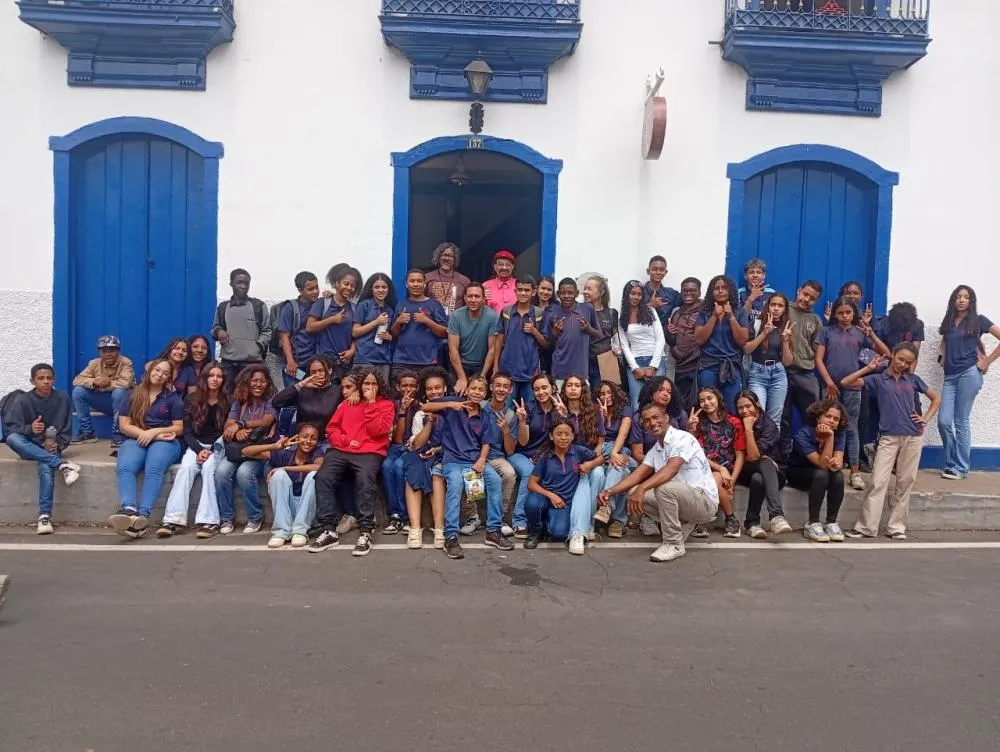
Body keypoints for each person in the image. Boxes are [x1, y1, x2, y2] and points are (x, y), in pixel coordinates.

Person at [600, 402, 720, 563]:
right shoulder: (656, 449)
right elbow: (637, 475)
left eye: (656, 417)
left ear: (666, 418)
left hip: (704, 502)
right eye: (647, 420)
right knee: (632, 493)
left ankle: (674, 543)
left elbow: (671, 469)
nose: (652, 423)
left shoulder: (683, 438)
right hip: (684, 500)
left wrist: (642, 488)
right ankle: (684, 525)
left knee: (662, 488)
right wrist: (609, 492)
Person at [842, 345, 941, 540]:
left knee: (905, 482)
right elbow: (846, 382)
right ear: (893, 355)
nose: (903, 364)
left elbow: (936, 398)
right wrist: (868, 368)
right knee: (878, 482)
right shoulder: (878, 380)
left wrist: (926, 418)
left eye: (908, 362)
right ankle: (866, 528)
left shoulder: (913, 380)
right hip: (888, 437)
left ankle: (896, 527)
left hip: (913, 437)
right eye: (900, 359)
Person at [420, 377, 515, 558]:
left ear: (485, 393)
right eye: (473, 388)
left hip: (475, 460)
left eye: (481, 390)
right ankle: (451, 536)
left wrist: (481, 460)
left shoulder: (485, 416)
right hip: (453, 460)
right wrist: (449, 406)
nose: (477, 392)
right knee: (455, 485)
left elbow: (486, 443)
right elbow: (425, 407)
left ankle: (493, 530)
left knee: (495, 479)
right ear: (467, 390)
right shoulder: (453, 404)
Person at [309, 367, 395, 557]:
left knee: (365, 479)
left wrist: (371, 403)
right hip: (341, 449)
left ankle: (366, 530)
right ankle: (329, 529)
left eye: (374, 384)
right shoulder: (349, 402)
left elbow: (378, 431)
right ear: (360, 384)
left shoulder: (386, 404)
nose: (370, 387)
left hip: (370, 451)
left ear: (380, 386)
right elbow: (332, 429)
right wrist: (346, 441)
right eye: (366, 383)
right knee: (323, 477)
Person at [815, 297, 890, 490]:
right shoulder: (826, 332)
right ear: (835, 314)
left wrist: (871, 334)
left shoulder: (859, 333)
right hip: (831, 387)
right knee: (827, 425)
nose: (844, 316)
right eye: (840, 313)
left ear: (853, 314)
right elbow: (819, 360)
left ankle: (855, 472)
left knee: (851, 428)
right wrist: (829, 383)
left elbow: (886, 353)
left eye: (848, 312)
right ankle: (827, 466)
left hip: (853, 387)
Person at [108, 359, 184, 538]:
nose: (160, 374)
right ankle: (129, 509)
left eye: (165, 373)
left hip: (166, 440)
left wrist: (156, 432)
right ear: (150, 370)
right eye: (157, 370)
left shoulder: (173, 399)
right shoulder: (133, 394)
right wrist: (146, 434)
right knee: (126, 467)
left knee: (154, 468)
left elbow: (178, 428)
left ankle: (143, 516)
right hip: (136, 437)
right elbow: (124, 425)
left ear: (168, 378)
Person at [157, 362, 230, 539]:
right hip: (196, 445)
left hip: (219, 446)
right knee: (185, 469)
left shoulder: (229, 401)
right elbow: (187, 432)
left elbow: (227, 432)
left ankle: (209, 521)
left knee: (208, 470)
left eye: (219, 376)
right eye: (211, 375)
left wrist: (211, 450)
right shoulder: (192, 399)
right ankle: (172, 520)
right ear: (204, 378)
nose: (215, 379)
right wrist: (198, 450)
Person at [3, 363, 78, 535]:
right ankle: (62, 464)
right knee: (13, 439)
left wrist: (57, 444)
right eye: (40, 378)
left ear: (54, 380)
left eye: (49, 378)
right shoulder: (23, 400)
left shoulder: (62, 398)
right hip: (29, 445)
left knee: (45, 468)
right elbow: (11, 429)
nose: (45, 382)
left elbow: (66, 429)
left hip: (50, 446)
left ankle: (44, 516)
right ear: (32, 381)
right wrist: (30, 429)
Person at [936, 285, 1000, 480]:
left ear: (971, 301)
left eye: (966, 297)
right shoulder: (948, 322)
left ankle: (961, 468)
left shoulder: (979, 320)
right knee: (944, 421)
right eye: (958, 296)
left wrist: (987, 361)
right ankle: (951, 463)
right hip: (950, 377)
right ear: (953, 300)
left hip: (969, 374)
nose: (961, 300)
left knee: (961, 421)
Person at [523, 418, 605, 554]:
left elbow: (601, 457)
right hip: (546, 498)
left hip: (564, 505)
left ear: (572, 436)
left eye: (567, 434)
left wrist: (589, 465)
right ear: (551, 436)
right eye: (558, 434)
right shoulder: (545, 456)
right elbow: (531, 484)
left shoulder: (578, 451)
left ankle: (548, 523)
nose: (563, 437)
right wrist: (551, 495)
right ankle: (535, 531)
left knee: (559, 534)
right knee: (532, 503)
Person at [215, 365, 277, 535]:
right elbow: (228, 425)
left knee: (244, 473)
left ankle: (255, 517)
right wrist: (236, 430)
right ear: (247, 382)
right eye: (254, 380)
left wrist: (242, 424)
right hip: (238, 449)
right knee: (221, 472)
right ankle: (226, 518)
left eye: (262, 381)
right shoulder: (239, 402)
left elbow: (265, 422)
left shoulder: (271, 401)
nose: (258, 384)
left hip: (258, 451)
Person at [243, 424, 325, 549]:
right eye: (305, 436)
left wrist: (286, 467)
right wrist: (275, 446)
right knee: (278, 475)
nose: (308, 441)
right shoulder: (285, 454)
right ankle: (281, 531)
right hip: (286, 510)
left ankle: (300, 531)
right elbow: (246, 451)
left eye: (313, 438)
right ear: (297, 437)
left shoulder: (317, 453)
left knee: (314, 475)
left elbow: (319, 467)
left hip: (308, 513)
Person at [786, 399, 848, 543]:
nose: (831, 421)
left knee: (838, 476)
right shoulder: (803, 435)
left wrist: (837, 462)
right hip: (798, 473)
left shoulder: (840, 434)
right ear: (818, 417)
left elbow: (836, 460)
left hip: (822, 474)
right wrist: (830, 437)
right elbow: (821, 464)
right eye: (828, 416)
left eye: (836, 419)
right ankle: (812, 523)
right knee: (822, 474)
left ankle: (831, 523)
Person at [687, 386, 744, 538]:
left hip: (729, 469)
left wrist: (732, 480)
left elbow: (740, 455)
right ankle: (730, 518)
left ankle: (708, 520)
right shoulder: (699, 424)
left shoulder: (734, 422)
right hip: (706, 467)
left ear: (718, 398)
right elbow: (697, 453)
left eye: (709, 398)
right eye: (702, 401)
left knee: (716, 478)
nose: (706, 403)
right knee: (715, 477)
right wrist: (690, 429)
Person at [402, 368, 449, 549]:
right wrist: (429, 421)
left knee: (437, 474)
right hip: (422, 452)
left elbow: (458, 441)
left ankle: (439, 528)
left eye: (438, 388)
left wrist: (437, 449)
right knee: (414, 471)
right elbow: (417, 444)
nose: (434, 392)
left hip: (445, 453)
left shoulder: (453, 411)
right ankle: (415, 528)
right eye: (430, 389)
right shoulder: (420, 413)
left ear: (445, 389)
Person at [733, 391, 791, 538]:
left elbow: (753, 455)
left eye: (748, 406)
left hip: (774, 474)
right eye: (740, 408)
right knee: (764, 462)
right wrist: (748, 429)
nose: (744, 411)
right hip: (746, 469)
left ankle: (752, 523)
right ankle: (776, 516)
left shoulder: (769, 426)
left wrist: (749, 430)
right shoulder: (736, 423)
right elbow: (752, 457)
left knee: (758, 479)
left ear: (757, 405)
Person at [508, 373, 560, 537]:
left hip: (544, 457)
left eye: (544, 387)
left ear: (552, 388)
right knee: (530, 472)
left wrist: (564, 416)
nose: (541, 392)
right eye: (536, 389)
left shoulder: (559, 408)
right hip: (521, 455)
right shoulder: (528, 408)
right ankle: (519, 520)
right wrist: (522, 421)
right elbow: (523, 442)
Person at [694, 275, 750, 411]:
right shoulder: (704, 313)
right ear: (711, 292)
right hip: (708, 366)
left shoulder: (739, 312)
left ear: (730, 290)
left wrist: (730, 316)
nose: (720, 291)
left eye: (724, 288)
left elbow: (742, 340)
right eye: (716, 288)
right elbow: (699, 339)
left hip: (731, 367)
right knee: (708, 407)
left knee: (732, 407)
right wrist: (714, 316)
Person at [781, 280, 825, 452]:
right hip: (781, 372)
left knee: (813, 415)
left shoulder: (815, 320)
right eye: (805, 294)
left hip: (805, 373)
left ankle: (812, 453)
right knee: (782, 417)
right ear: (799, 291)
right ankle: (782, 457)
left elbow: (817, 348)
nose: (807, 299)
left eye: (812, 298)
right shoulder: (784, 310)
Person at [71, 335, 135, 448]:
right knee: (78, 391)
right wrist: (95, 381)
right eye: (103, 351)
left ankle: (118, 433)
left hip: (124, 406)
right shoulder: (94, 363)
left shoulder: (126, 362)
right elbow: (77, 380)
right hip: (105, 402)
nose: (107, 354)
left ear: (118, 351)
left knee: (119, 392)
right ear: (99, 352)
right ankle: (87, 432)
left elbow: (125, 384)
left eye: (111, 350)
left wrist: (104, 384)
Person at [495, 277, 549, 405]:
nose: (523, 293)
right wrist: (496, 366)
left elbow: (546, 344)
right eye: (520, 290)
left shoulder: (539, 313)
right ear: (515, 291)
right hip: (508, 372)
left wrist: (534, 331)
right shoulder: (506, 311)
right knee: (506, 410)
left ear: (533, 292)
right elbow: (499, 340)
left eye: (527, 290)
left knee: (530, 411)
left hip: (531, 373)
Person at [212, 269, 272, 384]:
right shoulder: (223, 307)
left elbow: (267, 331)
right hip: (229, 363)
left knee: (251, 397)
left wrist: (258, 346)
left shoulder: (258, 306)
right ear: (231, 284)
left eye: (246, 283)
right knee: (228, 397)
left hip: (252, 363)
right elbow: (214, 329)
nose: (243, 286)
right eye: (239, 282)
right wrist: (219, 331)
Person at [593, 380, 636, 538]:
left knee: (618, 467)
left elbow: (623, 434)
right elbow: (598, 440)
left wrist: (615, 453)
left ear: (616, 394)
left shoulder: (626, 410)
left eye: (609, 393)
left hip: (618, 449)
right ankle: (618, 521)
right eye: (602, 394)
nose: (607, 396)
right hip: (603, 449)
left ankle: (606, 506)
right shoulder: (596, 411)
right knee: (619, 463)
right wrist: (602, 418)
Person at [744, 292, 795, 426]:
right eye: (773, 304)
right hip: (757, 373)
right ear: (768, 306)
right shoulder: (756, 323)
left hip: (778, 373)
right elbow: (746, 349)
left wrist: (785, 341)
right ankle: (757, 447)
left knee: (775, 420)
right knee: (757, 416)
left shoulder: (786, 327)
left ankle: (771, 447)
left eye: (780, 306)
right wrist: (764, 333)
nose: (776, 308)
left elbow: (787, 362)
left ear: (785, 309)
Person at [390, 269, 449, 383]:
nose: (416, 284)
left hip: (427, 362)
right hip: (401, 361)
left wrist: (427, 321)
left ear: (424, 284)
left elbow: (444, 333)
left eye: (419, 281)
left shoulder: (434, 305)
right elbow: (393, 334)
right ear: (407, 284)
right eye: (412, 281)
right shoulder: (401, 304)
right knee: (399, 398)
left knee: (426, 398)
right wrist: (398, 322)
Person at [480, 372, 519, 536]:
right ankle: (472, 517)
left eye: (505, 386)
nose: (501, 389)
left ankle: (500, 516)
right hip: (476, 454)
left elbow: (510, 450)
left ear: (510, 390)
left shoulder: (510, 415)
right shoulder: (480, 406)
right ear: (491, 387)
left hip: (496, 456)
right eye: (498, 385)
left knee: (509, 474)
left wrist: (505, 431)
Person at [618, 280, 667, 409]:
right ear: (626, 294)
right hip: (635, 362)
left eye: (639, 294)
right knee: (636, 404)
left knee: (658, 402)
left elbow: (661, 339)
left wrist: (653, 366)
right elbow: (624, 345)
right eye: (632, 293)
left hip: (656, 361)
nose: (636, 297)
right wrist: (635, 368)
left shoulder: (651, 311)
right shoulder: (622, 317)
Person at [382, 369, 419, 535]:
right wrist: (402, 410)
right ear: (398, 387)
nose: (408, 389)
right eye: (405, 385)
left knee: (398, 466)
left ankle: (405, 516)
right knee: (386, 466)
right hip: (396, 446)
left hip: (413, 448)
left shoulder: (421, 406)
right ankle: (394, 514)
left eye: (412, 386)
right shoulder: (392, 405)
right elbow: (397, 439)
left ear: (417, 388)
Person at [307, 265, 361, 377]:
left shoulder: (354, 308)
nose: (349, 288)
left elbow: (357, 334)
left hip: (345, 364)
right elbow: (310, 327)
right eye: (346, 284)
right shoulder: (323, 303)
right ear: (337, 283)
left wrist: (352, 350)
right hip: (325, 363)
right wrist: (332, 319)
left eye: (352, 286)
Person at [549, 277, 601, 389]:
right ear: (558, 294)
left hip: (581, 370)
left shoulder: (587, 309)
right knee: (560, 404)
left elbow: (599, 334)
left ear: (577, 293)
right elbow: (547, 343)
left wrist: (588, 329)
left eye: (570, 293)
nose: (566, 296)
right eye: (563, 293)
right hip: (560, 370)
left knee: (582, 404)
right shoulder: (552, 311)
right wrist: (555, 332)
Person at [448, 282, 499, 393]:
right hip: (460, 365)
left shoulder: (492, 316)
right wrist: (462, 377)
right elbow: (453, 350)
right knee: (458, 394)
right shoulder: (456, 316)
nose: (473, 300)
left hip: (482, 366)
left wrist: (482, 376)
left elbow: (492, 350)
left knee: (478, 395)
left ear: (484, 298)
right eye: (470, 296)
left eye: (477, 296)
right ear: (465, 298)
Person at [271, 354, 341, 434]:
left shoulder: (338, 391)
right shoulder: (303, 391)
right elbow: (276, 402)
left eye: (321, 371)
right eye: (313, 372)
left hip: (327, 439)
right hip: (303, 439)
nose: (317, 375)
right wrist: (301, 384)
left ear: (329, 371)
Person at [276, 270, 320, 384]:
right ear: (300, 290)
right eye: (310, 289)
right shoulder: (290, 308)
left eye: (317, 287)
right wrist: (290, 361)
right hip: (296, 365)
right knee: (293, 396)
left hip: (315, 365)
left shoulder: (320, 305)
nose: (315, 292)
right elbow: (284, 336)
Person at [352, 272, 398, 384]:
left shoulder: (390, 310)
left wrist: (388, 337)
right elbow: (355, 332)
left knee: (382, 394)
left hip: (383, 359)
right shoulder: (364, 305)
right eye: (376, 287)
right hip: (364, 358)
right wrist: (375, 322)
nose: (380, 290)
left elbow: (393, 336)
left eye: (384, 287)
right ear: (371, 289)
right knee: (363, 393)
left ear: (388, 289)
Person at [665, 277, 702, 413]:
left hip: (696, 366)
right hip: (679, 366)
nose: (688, 293)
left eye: (692, 290)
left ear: (699, 292)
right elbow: (671, 341)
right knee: (679, 405)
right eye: (685, 291)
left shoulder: (705, 311)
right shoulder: (676, 312)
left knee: (694, 405)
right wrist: (670, 332)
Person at [584, 275, 621, 391]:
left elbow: (615, 337)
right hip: (587, 362)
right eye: (585, 288)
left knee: (609, 397)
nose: (585, 292)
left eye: (589, 289)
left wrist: (617, 349)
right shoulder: (581, 312)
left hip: (607, 362)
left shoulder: (611, 313)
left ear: (601, 292)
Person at [424, 242, 470, 318]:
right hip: (432, 324)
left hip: (456, 325)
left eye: (450, 256)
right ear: (438, 257)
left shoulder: (465, 281)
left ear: (455, 259)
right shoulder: (427, 278)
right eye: (444, 255)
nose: (447, 258)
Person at [737, 258, 776, 332]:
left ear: (763, 275)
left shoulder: (771, 293)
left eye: (758, 272)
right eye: (751, 272)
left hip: (765, 333)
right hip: (745, 333)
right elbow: (738, 318)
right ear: (745, 276)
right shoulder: (739, 293)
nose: (755, 275)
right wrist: (751, 299)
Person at [643, 255, 681, 329]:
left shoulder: (671, 294)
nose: (658, 272)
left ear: (665, 272)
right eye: (654, 269)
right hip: (644, 336)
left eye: (661, 270)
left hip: (664, 337)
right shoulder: (638, 292)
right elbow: (629, 314)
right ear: (648, 271)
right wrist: (649, 306)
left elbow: (689, 301)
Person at [534, 275, 557, 376]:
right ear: (537, 288)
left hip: (552, 354)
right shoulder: (529, 307)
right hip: (532, 353)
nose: (545, 292)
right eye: (543, 288)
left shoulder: (557, 308)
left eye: (549, 290)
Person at [482, 249, 518, 314]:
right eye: (500, 264)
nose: (504, 268)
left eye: (508, 265)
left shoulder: (519, 285)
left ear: (512, 267)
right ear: (495, 267)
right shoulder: (485, 286)